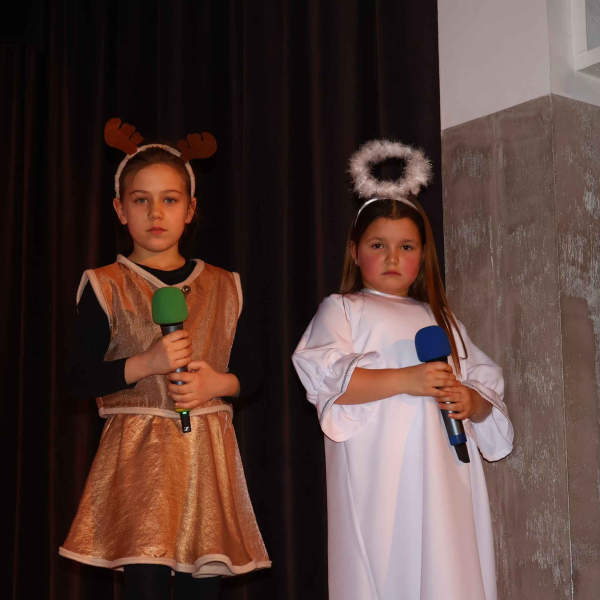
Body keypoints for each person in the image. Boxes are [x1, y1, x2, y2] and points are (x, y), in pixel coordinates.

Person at [292, 140, 513, 600]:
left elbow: (484, 386)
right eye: (378, 245)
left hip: (444, 473)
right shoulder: (343, 309)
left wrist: (471, 401)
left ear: (422, 254)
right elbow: (328, 381)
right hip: (380, 473)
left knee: (447, 567)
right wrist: (407, 380)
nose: (392, 258)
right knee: (386, 566)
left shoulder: (442, 320)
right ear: (355, 252)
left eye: (406, 246)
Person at [60, 119, 270, 600]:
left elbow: (256, 372)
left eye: (170, 199)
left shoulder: (224, 285)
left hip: (206, 457)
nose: (156, 212)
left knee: (203, 587)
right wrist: (146, 363)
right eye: (141, 200)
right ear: (120, 209)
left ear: (190, 209)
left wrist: (218, 384)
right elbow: (77, 377)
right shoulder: (105, 284)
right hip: (139, 460)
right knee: (146, 582)